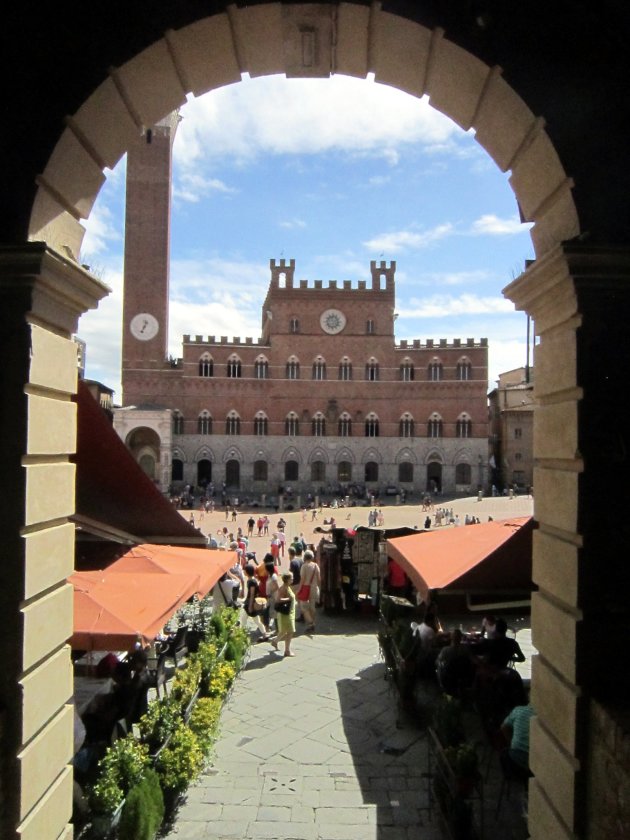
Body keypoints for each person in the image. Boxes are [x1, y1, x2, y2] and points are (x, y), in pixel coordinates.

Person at [500, 701, 536, 781]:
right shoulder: (543, 718)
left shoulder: (519, 710)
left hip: (513, 759)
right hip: (533, 764)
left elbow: (503, 727)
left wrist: (511, 742)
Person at [270, 572, 297, 657]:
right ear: (287, 579)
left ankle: (275, 641)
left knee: (284, 630)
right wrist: (288, 599)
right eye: (291, 578)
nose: (293, 579)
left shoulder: (287, 587)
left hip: (290, 612)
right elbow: (278, 600)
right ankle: (287, 651)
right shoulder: (283, 588)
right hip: (286, 614)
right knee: (290, 631)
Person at [242, 563, 269, 640]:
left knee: (243, 619)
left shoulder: (251, 582)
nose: (243, 571)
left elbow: (252, 594)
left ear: (247, 572)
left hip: (250, 603)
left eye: (244, 570)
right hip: (251, 602)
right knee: (256, 620)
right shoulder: (252, 580)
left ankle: (240, 634)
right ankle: (264, 634)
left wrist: (250, 606)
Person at [297, 549, 320, 634]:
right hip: (314, 587)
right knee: (312, 606)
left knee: (303, 606)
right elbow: (319, 578)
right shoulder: (316, 565)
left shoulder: (304, 566)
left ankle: (310, 622)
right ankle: (312, 623)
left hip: (306, 587)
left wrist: (299, 590)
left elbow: (302, 579)